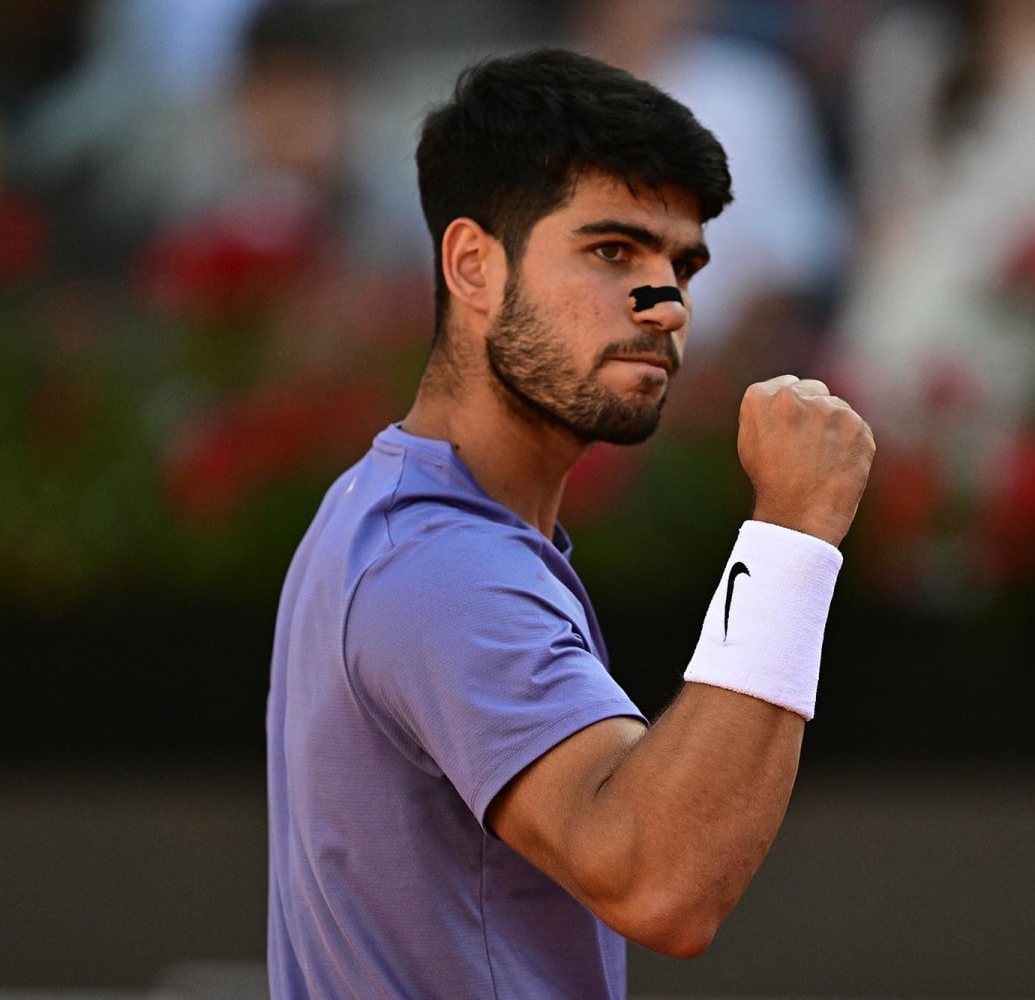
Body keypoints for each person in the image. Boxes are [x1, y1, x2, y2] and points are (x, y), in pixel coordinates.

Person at [265, 47, 875, 999]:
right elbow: (660, 881)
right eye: (611, 251)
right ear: (473, 264)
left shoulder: (389, 509)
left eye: (683, 264)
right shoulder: (444, 565)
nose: (665, 304)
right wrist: (794, 532)